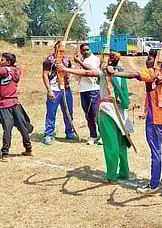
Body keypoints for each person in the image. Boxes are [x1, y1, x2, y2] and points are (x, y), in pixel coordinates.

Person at [110, 52, 162, 195]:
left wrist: (114, 73)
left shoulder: (152, 73)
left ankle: (153, 185)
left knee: (156, 152)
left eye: (149, 58)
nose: (146, 61)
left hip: (155, 119)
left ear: (156, 61)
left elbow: (135, 74)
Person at [58, 53, 134, 183]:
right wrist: (67, 69)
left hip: (111, 112)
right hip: (113, 111)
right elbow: (87, 73)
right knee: (119, 144)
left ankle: (112, 176)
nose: (105, 62)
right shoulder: (108, 73)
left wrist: (66, 69)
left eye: (108, 59)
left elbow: (89, 73)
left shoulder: (119, 73)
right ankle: (122, 173)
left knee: (114, 145)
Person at [42, 41, 77, 145]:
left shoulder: (66, 60)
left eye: (63, 48)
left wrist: (69, 78)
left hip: (66, 90)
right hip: (54, 89)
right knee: (51, 112)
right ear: (55, 47)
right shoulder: (49, 60)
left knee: (68, 112)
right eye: (60, 47)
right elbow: (45, 75)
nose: (62, 49)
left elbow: (70, 70)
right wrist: (49, 90)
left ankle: (69, 132)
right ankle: (49, 134)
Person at [73, 43, 102, 145]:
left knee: (95, 114)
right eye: (84, 50)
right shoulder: (81, 60)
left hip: (93, 89)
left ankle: (102, 136)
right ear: (81, 51)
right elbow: (77, 73)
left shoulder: (95, 59)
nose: (86, 52)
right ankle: (93, 135)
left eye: (87, 49)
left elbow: (91, 71)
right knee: (88, 114)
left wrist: (79, 62)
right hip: (83, 90)